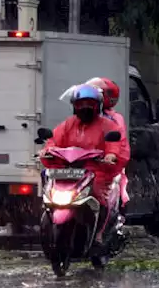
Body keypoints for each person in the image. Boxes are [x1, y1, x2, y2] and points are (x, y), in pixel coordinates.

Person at [45, 85, 124, 250]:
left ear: (98, 105)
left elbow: (114, 144)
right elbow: (53, 141)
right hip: (69, 171)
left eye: (89, 103)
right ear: (74, 105)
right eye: (81, 104)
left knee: (101, 195)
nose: (85, 108)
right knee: (47, 183)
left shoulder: (107, 126)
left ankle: (100, 234)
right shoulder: (68, 124)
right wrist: (46, 151)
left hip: (97, 170)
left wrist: (110, 155)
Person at [84, 76, 131, 204]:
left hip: (103, 168)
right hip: (82, 166)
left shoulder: (114, 119)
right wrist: (51, 149)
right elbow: (63, 136)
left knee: (100, 196)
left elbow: (116, 142)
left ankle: (102, 218)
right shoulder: (82, 117)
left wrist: (111, 155)